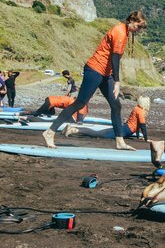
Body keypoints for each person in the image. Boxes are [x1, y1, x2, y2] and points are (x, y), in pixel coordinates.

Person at [41, 10, 147, 150]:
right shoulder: (120, 32)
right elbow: (115, 59)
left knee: (116, 105)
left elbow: (114, 59)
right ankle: (50, 132)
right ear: (132, 21)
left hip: (105, 73)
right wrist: (117, 81)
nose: (138, 30)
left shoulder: (125, 32)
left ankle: (120, 142)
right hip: (95, 70)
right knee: (80, 103)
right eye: (138, 26)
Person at [62, 96, 150, 140]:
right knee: (98, 134)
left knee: (98, 133)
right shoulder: (141, 111)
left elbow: (138, 125)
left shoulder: (136, 108)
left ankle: (74, 128)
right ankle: (74, 130)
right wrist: (146, 139)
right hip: (124, 131)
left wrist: (138, 136)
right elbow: (142, 126)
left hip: (124, 128)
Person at [21, 95, 88, 123]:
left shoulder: (73, 100)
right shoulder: (72, 102)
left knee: (52, 113)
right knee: (37, 113)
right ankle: (26, 116)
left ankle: (35, 115)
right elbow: (67, 112)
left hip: (50, 99)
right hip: (50, 102)